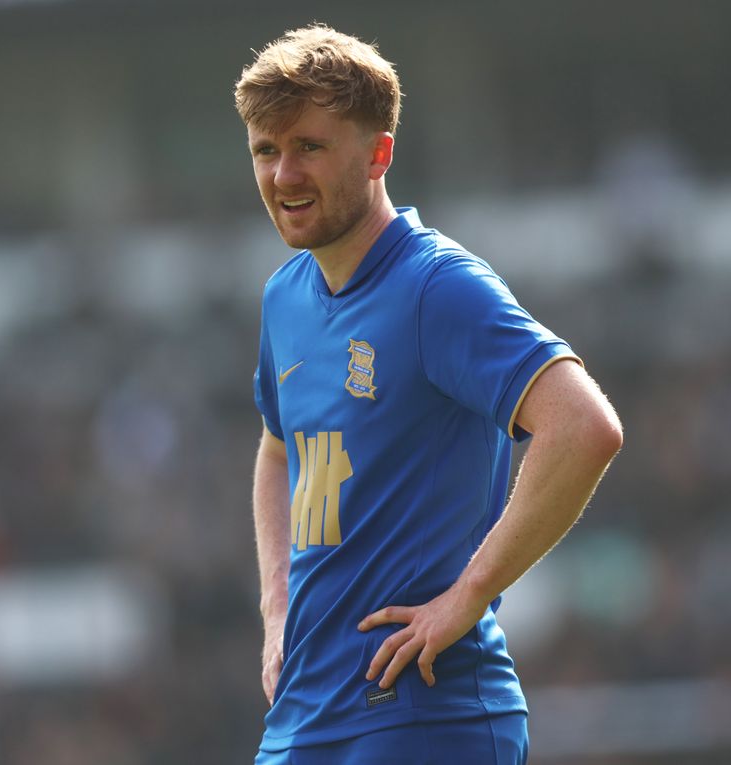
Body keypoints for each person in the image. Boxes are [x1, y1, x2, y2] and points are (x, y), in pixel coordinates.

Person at [236, 24, 623, 765]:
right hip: (305, 718)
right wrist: (277, 601)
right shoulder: (285, 297)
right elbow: (276, 444)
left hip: (421, 713)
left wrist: (470, 592)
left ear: (378, 152)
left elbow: (583, 427)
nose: (283, 174)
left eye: (309, 147)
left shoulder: (435, 286)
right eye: (265, 150)